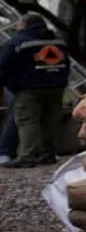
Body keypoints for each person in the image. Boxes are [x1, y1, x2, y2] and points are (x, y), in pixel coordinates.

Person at [0, 13, 71, 168]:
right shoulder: (58, 42)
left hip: (28, 88)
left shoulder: (18, 41)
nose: (16, 27)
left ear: (25, 25)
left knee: (27, 121)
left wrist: (7, 83)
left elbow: (4, 65)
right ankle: (47, 154)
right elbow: (67, 64)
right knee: (50, 120)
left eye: (18, 24)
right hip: (56, 87)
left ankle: (26, 157)